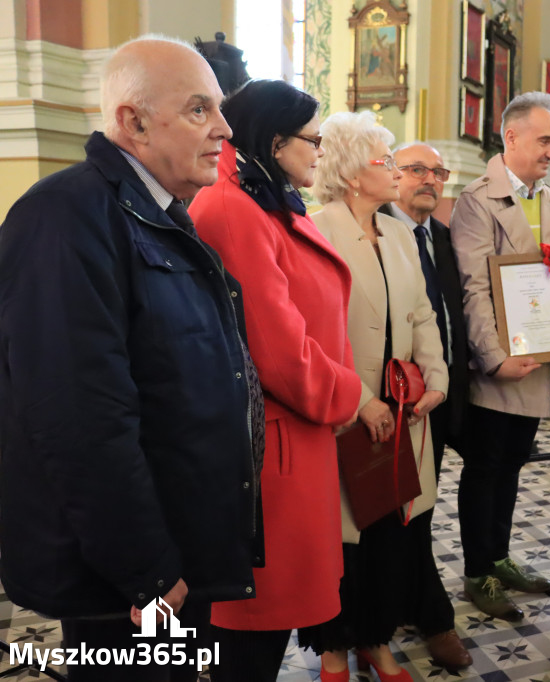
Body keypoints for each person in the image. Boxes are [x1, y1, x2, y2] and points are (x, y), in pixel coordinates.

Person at [0, 36, 259, 682]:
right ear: (132, 121)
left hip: (173, 548)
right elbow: (78, 418)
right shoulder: (65, 218)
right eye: (200, 109)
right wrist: (147, 570)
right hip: (125, 576)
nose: (224, 129)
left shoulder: (161, 213)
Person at [188, 79, 362, 682]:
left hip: (297, 440)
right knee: (248, 638)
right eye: (313, 140)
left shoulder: (264, 197)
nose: (321, 152)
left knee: (268, 631)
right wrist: (345, 394)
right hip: (271, 452)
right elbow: (276, 349)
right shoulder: (233, 207)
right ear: (276, 139)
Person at [299, 111, 451, 682]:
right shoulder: (319, 229)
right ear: (351, 172)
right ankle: (334, 647)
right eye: (382, 159)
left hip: (405, 408)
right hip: (347, 411)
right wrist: (361, 397)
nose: (392, 169)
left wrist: (436, 379)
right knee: (343, 540)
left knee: (392, 531)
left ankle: (376, 639)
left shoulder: (398, 232)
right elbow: (316, 330)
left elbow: (421, 312)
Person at [450, 91, 550, 621]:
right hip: (498, 364)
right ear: (513, 136)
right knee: (486, 467)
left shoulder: (548, 200)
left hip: (537, 358)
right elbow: (473, 289)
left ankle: (499, 556)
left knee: (514, 467)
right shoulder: (478, 201)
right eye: (544, 140)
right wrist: (495, 357)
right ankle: (479, 570)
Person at [377, 141, 473, 671]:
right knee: (399, 512)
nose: (429, 180)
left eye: (437, 172)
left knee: (422, 509)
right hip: (392, 398)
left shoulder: (439, 234)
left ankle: (409, 605)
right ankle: (426, 614)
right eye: (416, 169)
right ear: (391, 174)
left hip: (440, 393)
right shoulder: (378, 232)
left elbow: (447, 316)